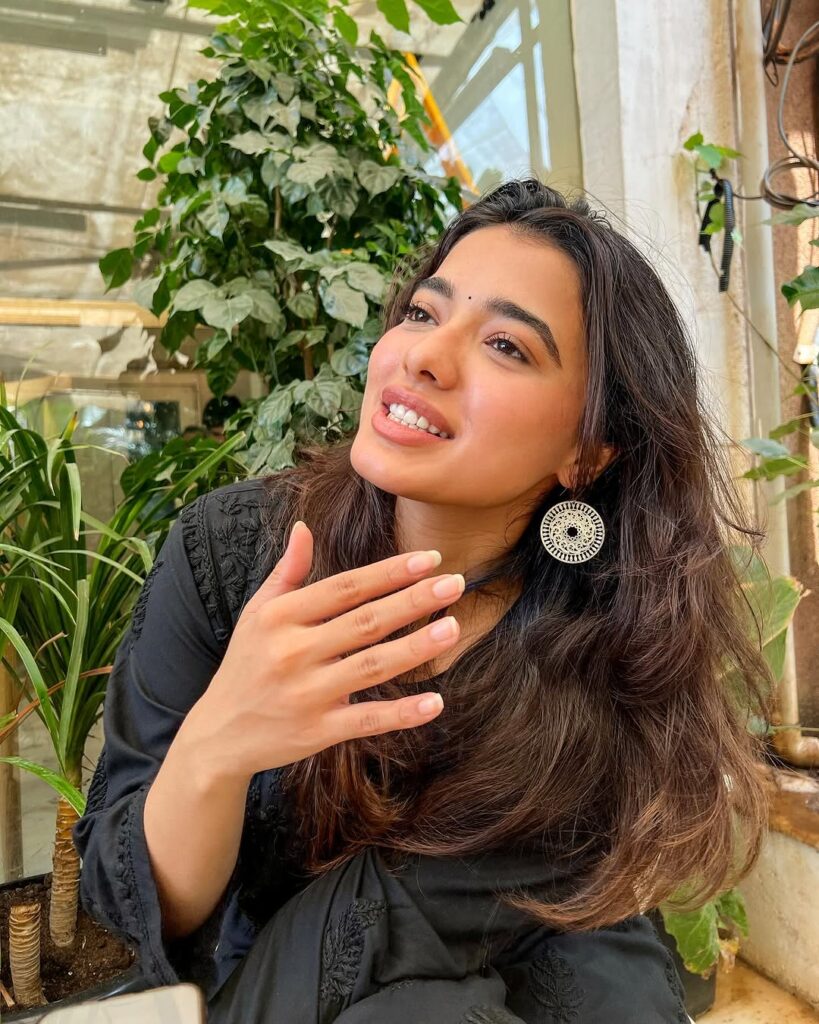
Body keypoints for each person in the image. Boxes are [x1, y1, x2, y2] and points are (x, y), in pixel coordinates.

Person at [73, 180, 772, 1022]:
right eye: (420, 313)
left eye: (506, 346)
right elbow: (134, 911)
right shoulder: (234, 552)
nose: (425, 356)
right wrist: (217, 747)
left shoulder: (608, 626)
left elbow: (588, 932)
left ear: (586, 453)